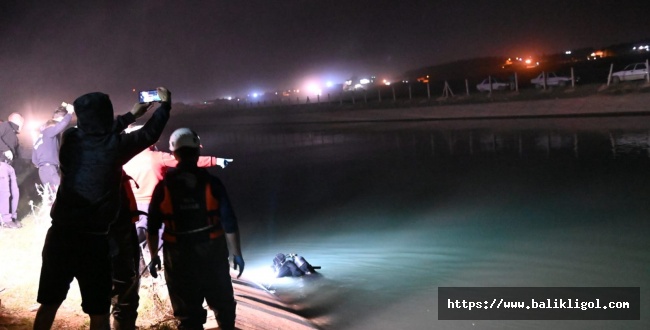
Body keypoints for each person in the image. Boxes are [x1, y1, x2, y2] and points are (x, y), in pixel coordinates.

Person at [33, 87, 172, 330]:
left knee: (49, 304)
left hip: (60, 236)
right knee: (99, 313)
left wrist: (129, 116)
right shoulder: (115, 148)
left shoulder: (70, 140)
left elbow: (97, 134)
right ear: (107, 116)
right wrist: (164, 107)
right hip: (94, 243)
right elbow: (149, 134)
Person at [146, 128, 244, 330]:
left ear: (174, 154)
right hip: (212, 253)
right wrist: (237, 254)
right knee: (224, 308)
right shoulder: (212, 183)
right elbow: (229, 221)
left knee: (188, 316)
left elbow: (153, 226)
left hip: (178, 257)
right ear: (197, 152)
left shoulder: (163, 187)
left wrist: (154, 255)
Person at [122, 124, 233, 259]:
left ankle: (148, 263)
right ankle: (159, 265)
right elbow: (185, 161)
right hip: (155, 203)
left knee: (141, 239)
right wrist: (216, 161)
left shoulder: (125, 158)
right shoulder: (156, 157)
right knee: (158, 237)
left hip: (133, 207)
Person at [31, 104, 74, 193]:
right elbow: (61, 124)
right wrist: (69, 113)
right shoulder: (49, 131)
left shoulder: (40, 138)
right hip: (49, 168)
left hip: (43, 171)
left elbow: (34, 160)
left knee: (52, 194)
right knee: (62, 192)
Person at [0, 113, 24, 228]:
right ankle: (6, 220)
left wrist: (39, 155)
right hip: (1, 164)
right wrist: (5, 149)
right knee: (5, 193)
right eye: (22, 120)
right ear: (17, 120)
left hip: (10, 166)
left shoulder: (15, 136)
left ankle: (12, 218)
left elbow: (21, 153)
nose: (23, 123)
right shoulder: (5, 125)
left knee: (15, 193)